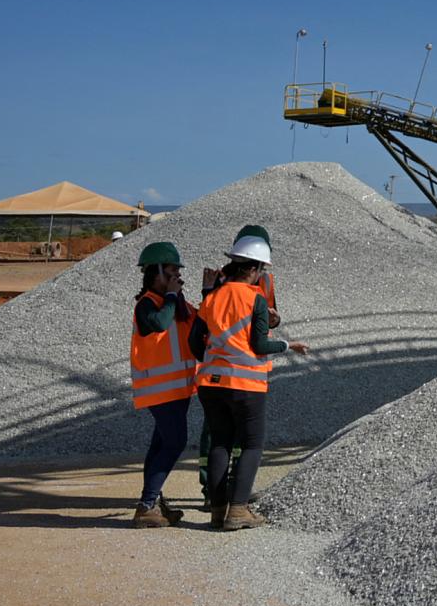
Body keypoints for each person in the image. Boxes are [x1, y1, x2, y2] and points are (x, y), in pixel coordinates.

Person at [189, 224, 307, 530]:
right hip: (245, 385)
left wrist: (215, 358)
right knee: (252, 445)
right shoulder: (253, 298)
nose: (261, 275)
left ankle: (217, 510)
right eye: (260, 269)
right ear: (253, 268)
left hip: (210, 383)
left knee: (219, 444)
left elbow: (194, 342)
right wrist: (288, 345)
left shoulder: (211, 297)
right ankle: (238, 510)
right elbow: (259, 344)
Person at [193, 224, 281, 501]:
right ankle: (222, 495)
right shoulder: (220, 283)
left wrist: (272, 319)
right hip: (245, 374)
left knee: (224, 439)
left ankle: (227, 496)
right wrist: (287, 345)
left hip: (219, 374)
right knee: (243, 439)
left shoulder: (260, 283)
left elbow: (200, 333)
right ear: (257, 264)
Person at [129, 241, 196, 528]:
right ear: (155, 273)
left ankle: (152, 502)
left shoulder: (175, 303)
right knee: (175, 442)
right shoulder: (147, 304)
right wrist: (171, 296)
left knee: (160, 445)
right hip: (159, 390)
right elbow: (157, 325)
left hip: (178, 389)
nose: (177, 277)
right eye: (171, 271)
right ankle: (146, 505)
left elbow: (199, 320)